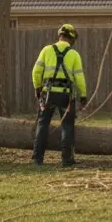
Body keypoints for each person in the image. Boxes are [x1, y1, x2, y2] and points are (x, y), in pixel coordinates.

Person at [30, 23, 87, 166]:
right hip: (66, 97)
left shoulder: (46, 50)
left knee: (43, 124)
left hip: (48, 94)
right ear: (72, 38)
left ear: (60, 35)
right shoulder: (74, 54)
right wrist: (83, 96)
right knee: (67, 126)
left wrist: (38, 88)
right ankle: (66, 159)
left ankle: (38, 158)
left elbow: (36, 72)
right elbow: (79, 78)